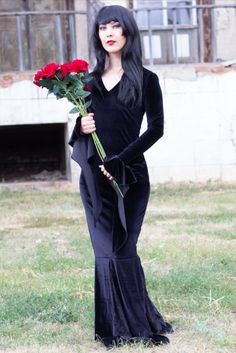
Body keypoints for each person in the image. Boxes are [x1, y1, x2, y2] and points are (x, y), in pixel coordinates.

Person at [69, 4, 173, 348]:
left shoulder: (146, 79)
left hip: (131, 177)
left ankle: (140, 325)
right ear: (98, 36)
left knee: (124, 248)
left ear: (128, 32)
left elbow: (156, 129)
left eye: (116, 26)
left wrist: (120, 159)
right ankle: (112, 328)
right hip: (96, 181)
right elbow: (80, 132)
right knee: (105, 251)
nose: (109, 33)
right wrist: (81, 126)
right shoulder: (86, 83)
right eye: (103, 28)